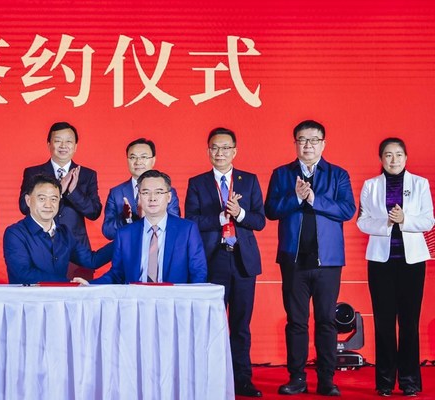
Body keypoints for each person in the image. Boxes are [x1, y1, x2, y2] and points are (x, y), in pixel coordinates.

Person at [265, 120, 356, 396]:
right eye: (302, 140)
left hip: (328, 261)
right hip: (293, 261)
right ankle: (297, 378)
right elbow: (271, 210)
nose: (308, 145)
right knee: (296, 321)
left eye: (314, 140)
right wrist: (295, 197)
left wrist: (315, 199)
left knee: (327, 321)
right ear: (295, 143)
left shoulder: (338, 174)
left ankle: (327, 379)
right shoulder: (282, 174)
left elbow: (347, 210)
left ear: (323, 144)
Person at [185, 127, 265, 398]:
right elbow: (191, 221)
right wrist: (221, 217)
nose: (220, 153)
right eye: (215, 148)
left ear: (235, 151)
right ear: (208, 151)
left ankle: (242, 380)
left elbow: (260, 221)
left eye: (225, 148)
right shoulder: (197, 183)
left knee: (241, 325)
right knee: (210, 325)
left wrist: (239, 213)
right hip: (213, 259)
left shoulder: (249, 181)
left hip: (243, 261)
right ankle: (209, 379)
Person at [357, 137, 434, 397]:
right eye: (388, 155)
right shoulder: (370, 186)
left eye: (399, 154)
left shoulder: (420, 184)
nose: (394, 160)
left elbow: (428, 221)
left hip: (412, 263)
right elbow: (362, 222)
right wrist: (387, 223)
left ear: (406, 157)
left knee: (409, 323)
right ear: (381, 159)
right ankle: (385, 382)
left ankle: (410, 381)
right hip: (381, 264)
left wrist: (404, 219)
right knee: (384, 323)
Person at [76, 170, 206, 285]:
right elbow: (117, 275)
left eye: (159, 192)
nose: (152, 198)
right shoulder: (125, 234)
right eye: (146, 192)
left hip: (174, 300)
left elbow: (198, 273)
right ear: (139, 197)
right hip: (136, 299)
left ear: (169, 197)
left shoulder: (187, 230)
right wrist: (90, 285)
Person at [18, 121, 102, 279]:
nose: (63, 146)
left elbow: (94, 212)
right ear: (49, 144)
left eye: (69, 141)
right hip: (40, 248)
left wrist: (72, 192)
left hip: (76, 252)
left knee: (78, 293)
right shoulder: (33, 172)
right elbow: (24, 207)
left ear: (75, 146)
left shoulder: (87, 174)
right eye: (58, 141)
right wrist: (59, 190)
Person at [5, 174, 113, 283]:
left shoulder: (64, 233)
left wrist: (122, 238)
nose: (48, 205)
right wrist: (68, 284)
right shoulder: (15, 233)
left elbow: (91, 260)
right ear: (28, 200)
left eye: (53, 199)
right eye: (42, 199)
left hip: (61, 294)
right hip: (30, 295)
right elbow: (23, 274)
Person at [102, 138, 180, 240]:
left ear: (153, 160)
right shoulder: (116, 193)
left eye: (144, 157)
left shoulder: (167, 191)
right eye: (133, 157)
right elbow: (108, 232)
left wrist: (149, 217)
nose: (138, 162)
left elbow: (175, 227)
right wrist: (125, 218)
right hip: (127, 247)